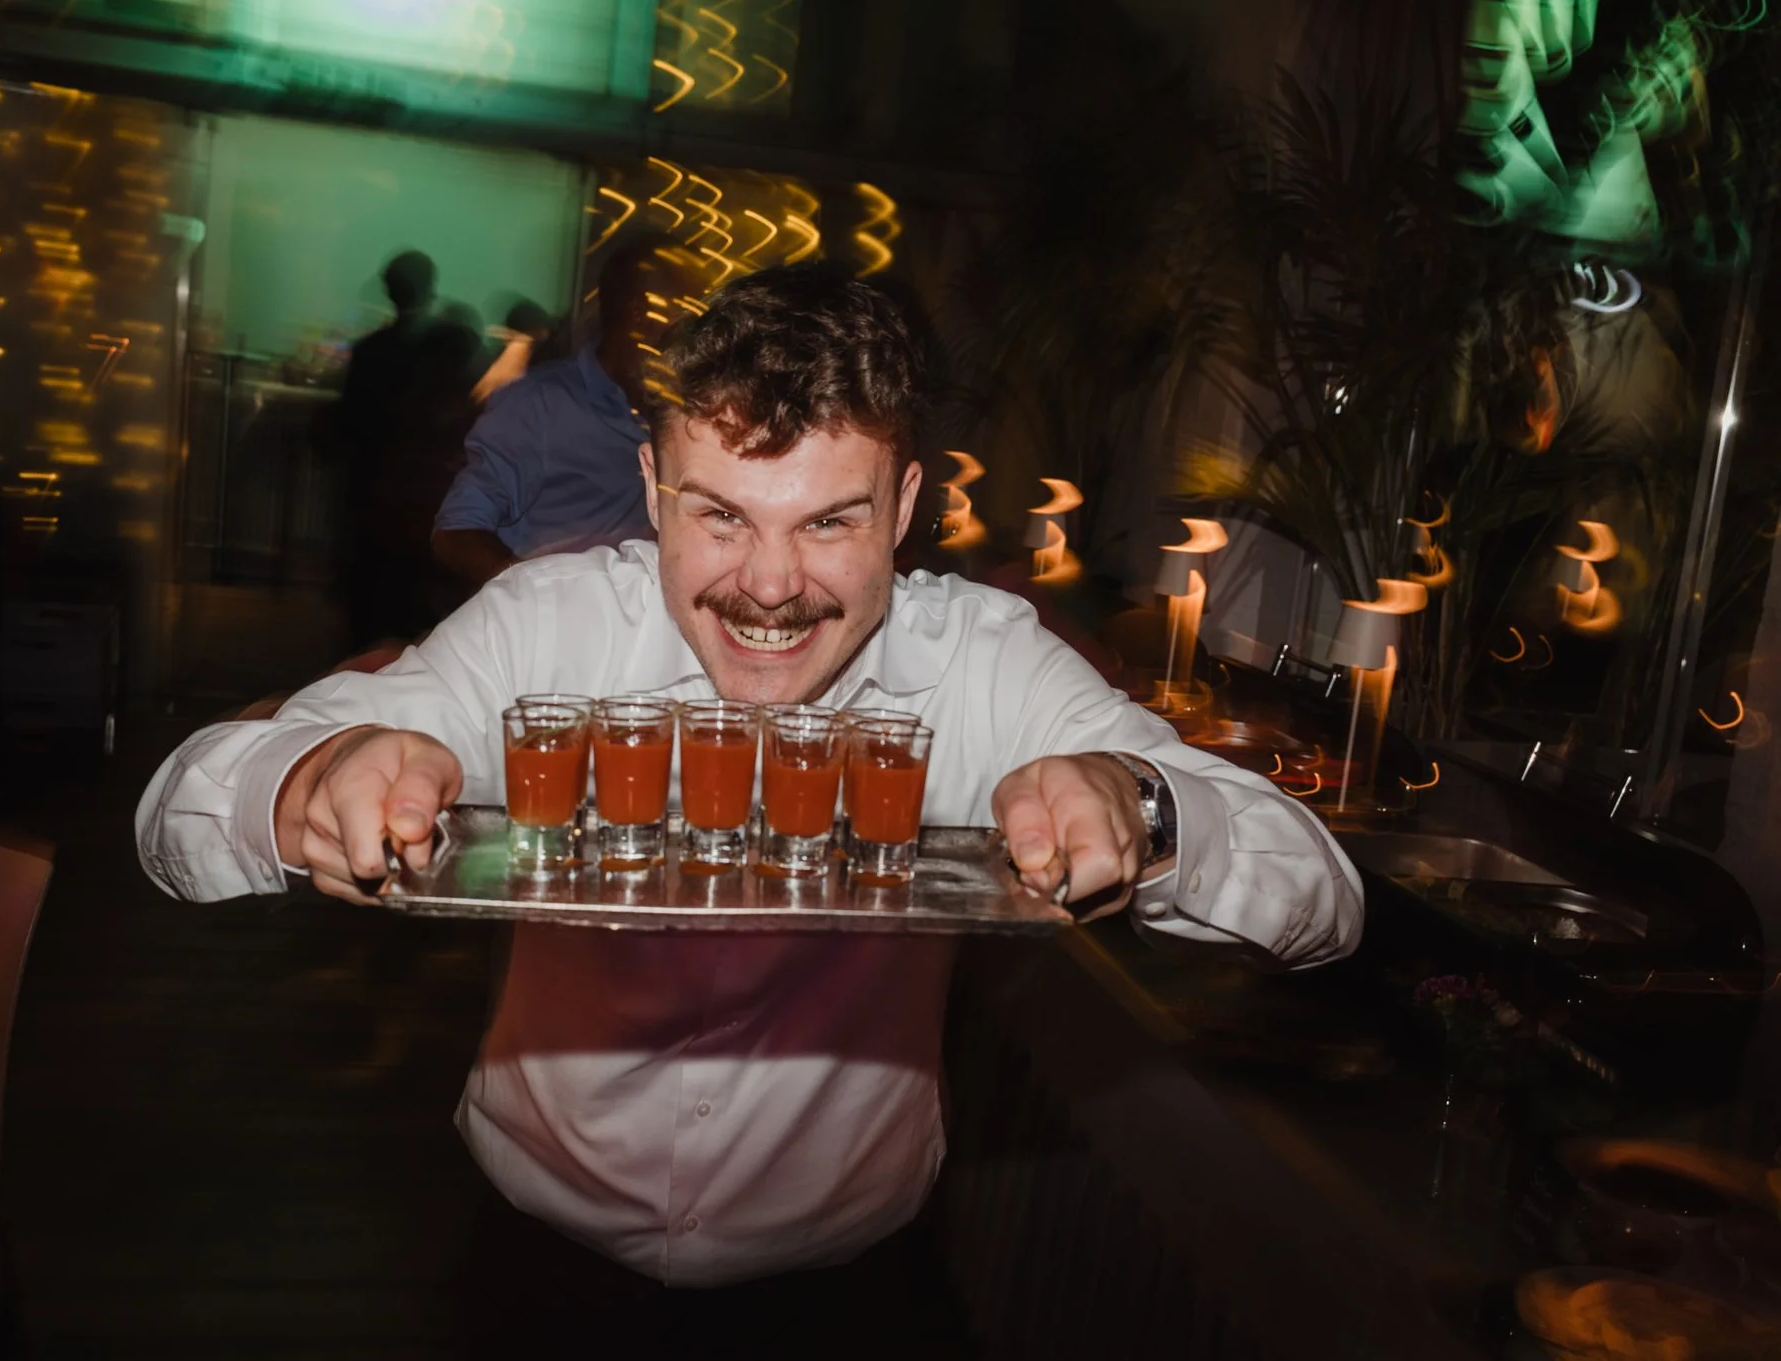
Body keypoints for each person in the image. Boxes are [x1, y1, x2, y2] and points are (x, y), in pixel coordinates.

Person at [136, 264, 1363, 1357]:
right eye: (720, 513)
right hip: (533, 1275)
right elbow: (177, 816)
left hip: (842, 1297)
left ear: (904, 506)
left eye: (828, 520)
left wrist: (1142, 807)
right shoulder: (544, 625)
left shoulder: (985, 661)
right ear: (651, 489)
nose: (769, 586)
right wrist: (316, 778)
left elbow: (1325, 900)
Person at [429, 233, 674, 585]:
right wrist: (540, 604)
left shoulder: (673, 412)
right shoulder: (540, 404)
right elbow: (457, 532)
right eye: (688, 306)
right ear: (639, 312)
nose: (699, 322)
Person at [334, 250, 482, 647]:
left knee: (372, 604)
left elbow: (348, 425)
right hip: (428, 496)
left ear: (388, 291)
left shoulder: (369, 352)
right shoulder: (451, 349)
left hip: (375, 494)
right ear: (431, 288)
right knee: (417, 610)